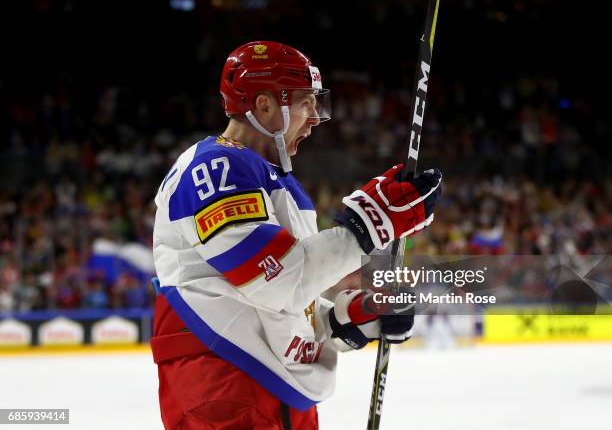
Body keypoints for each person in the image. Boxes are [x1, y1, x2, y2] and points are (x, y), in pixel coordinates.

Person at [150, 41, 442, 429]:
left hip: (268, 386)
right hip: (226, 383)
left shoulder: (272, 181)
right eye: (306, 103)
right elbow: (278, 283)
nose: (316, 118)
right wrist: (370, 223)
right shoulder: (216, 168)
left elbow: (282, 305)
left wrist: (348, 317)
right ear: (265, 106)